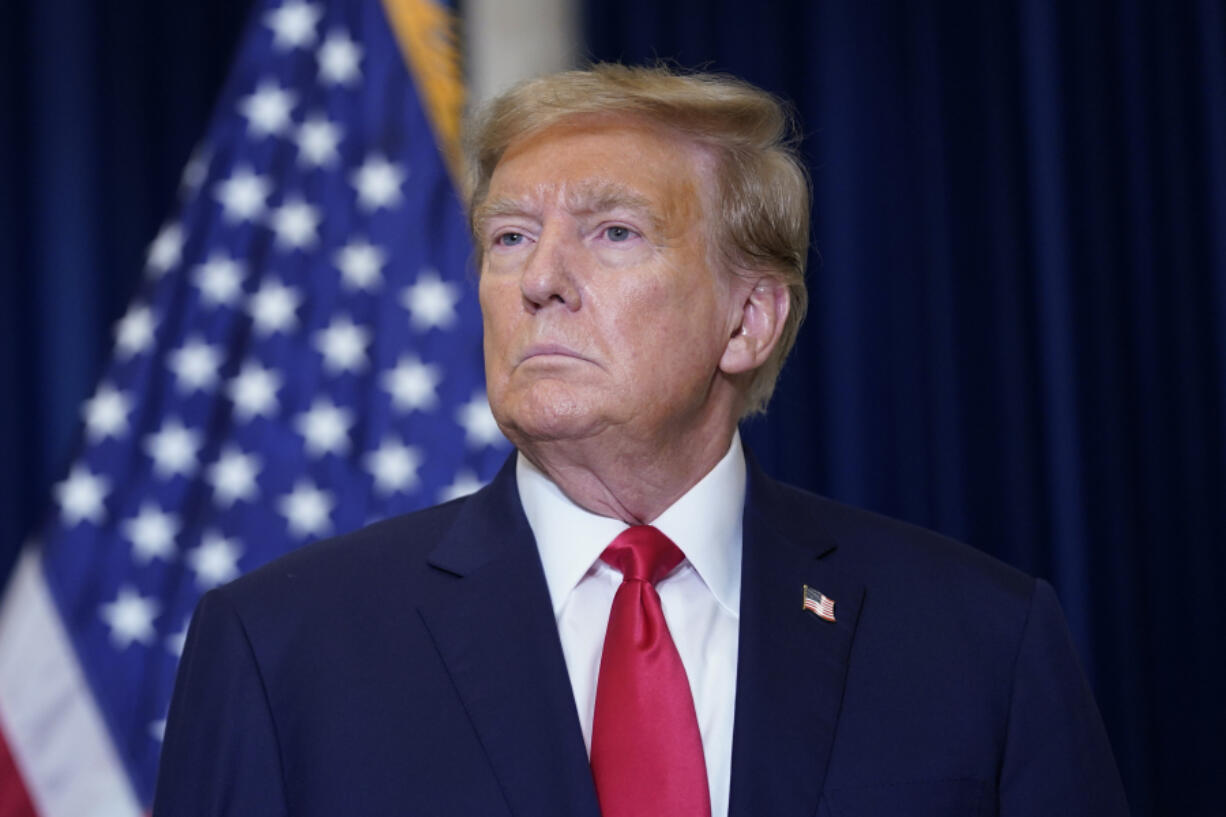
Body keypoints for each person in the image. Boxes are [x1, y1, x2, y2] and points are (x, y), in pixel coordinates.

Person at [153, 64, 1128, 817]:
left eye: (611, 232)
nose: (540, 280)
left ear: (746, 319)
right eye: (509, 238)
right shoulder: (282, 649)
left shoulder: (979, 644)